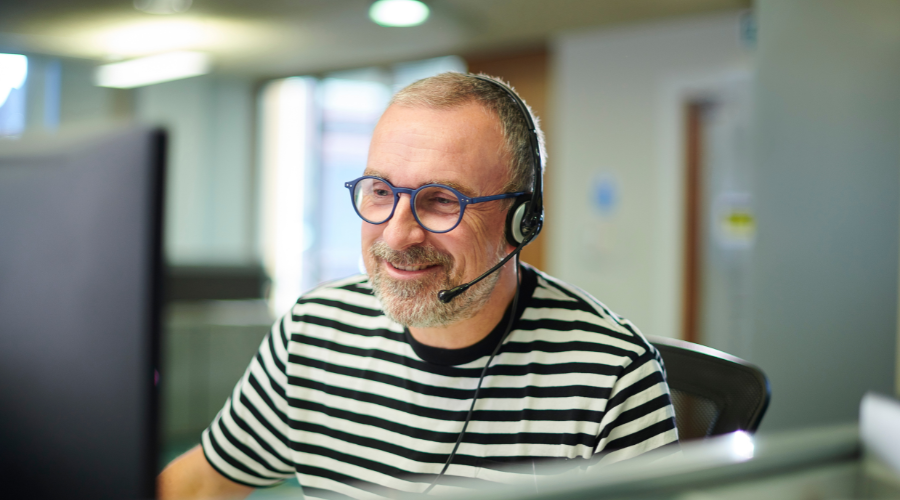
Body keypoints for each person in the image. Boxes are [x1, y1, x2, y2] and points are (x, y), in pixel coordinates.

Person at [158, 72, 678, 500]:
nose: (397, 234)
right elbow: (203, 482)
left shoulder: (612, 379)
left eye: (441, 200)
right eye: (381, 191)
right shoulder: (313, 330)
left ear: (522, 222)